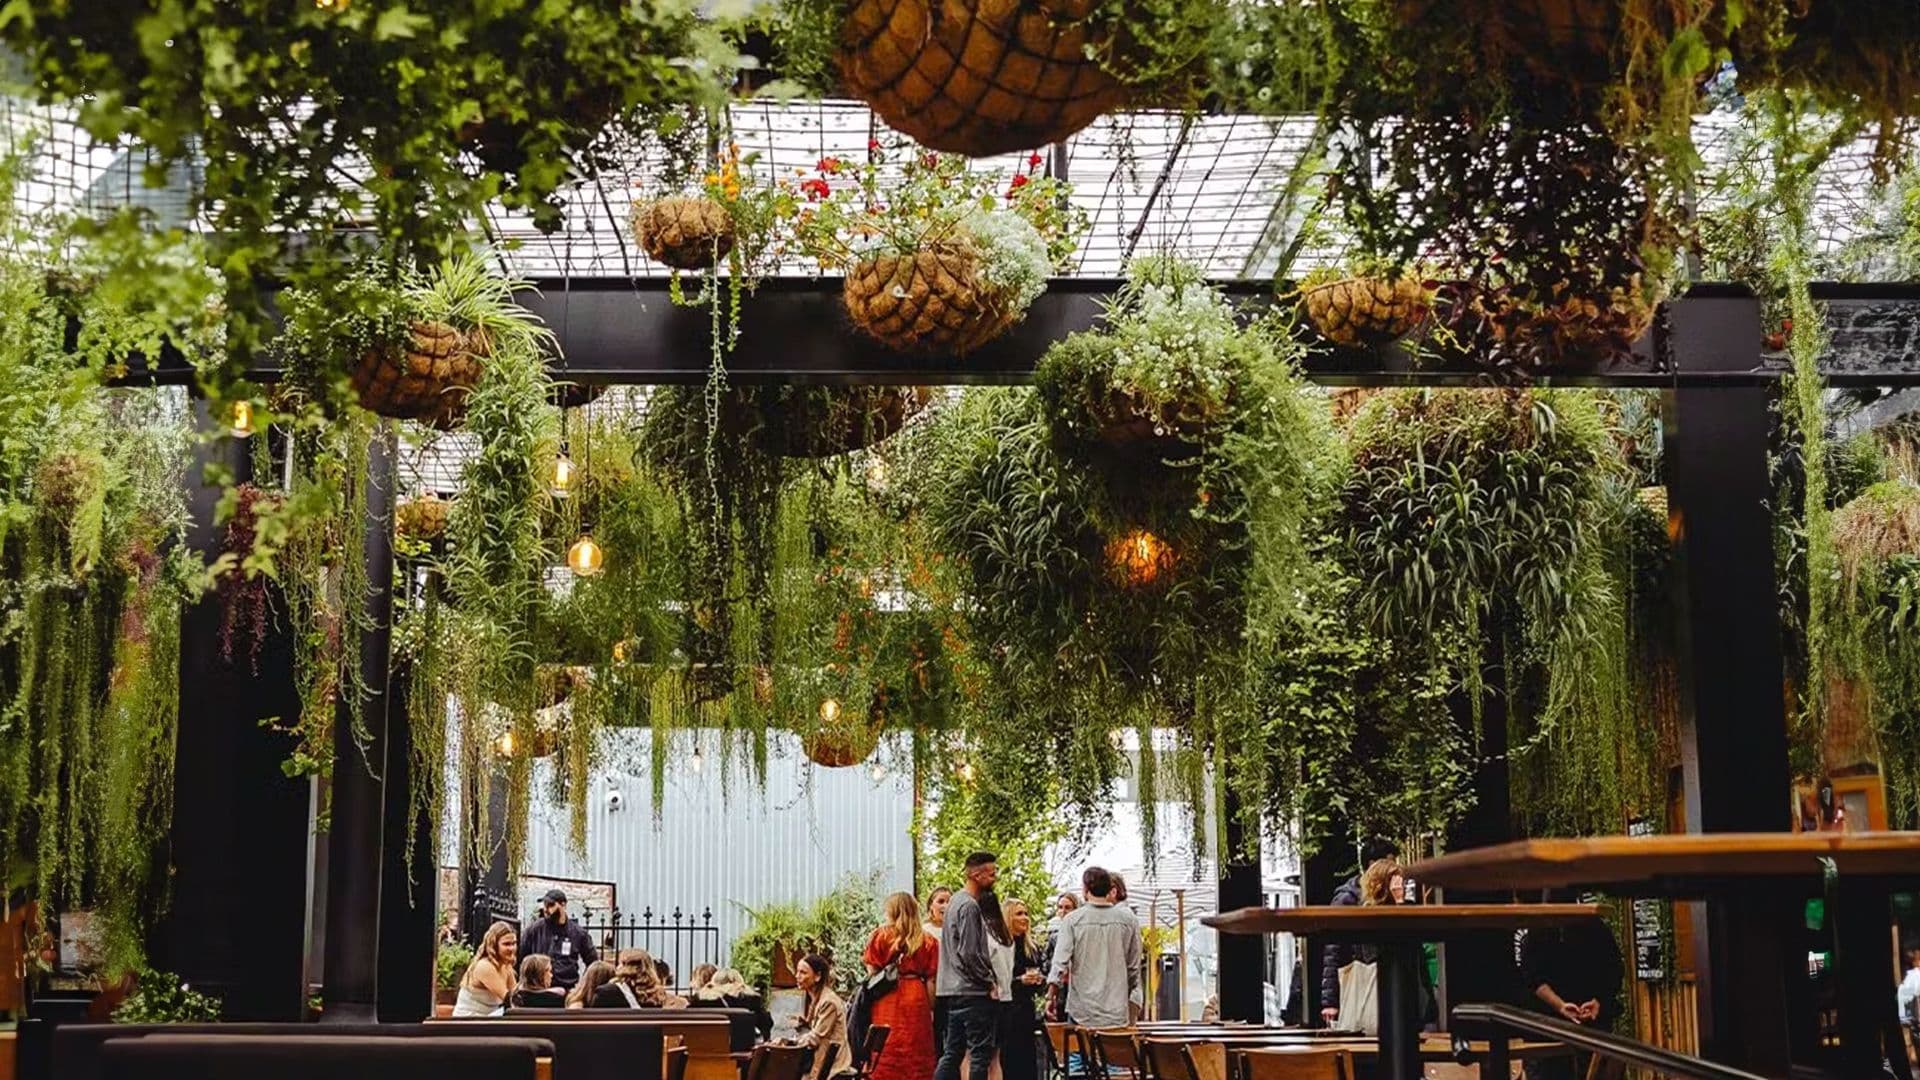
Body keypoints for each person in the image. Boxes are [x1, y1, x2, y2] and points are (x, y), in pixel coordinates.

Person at [1517, 891, 1625, 1080]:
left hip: (1582, 1027)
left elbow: (1613, 972)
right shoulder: (1540, 931)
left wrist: (1598, 1002)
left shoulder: (1593, 928)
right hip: (1549, 1030)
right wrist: (1561, 1005)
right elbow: (1533, 978)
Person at [1045, 866, 1141, 1030]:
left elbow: (1059, 963)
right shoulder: (1128, 920)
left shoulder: (1072, 920)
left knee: (1079, 1046)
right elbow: (1133, 966)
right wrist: (1127, 992)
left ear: (1085, 889)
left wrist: (1050, 996)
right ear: (1109, 889)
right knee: (1114, 1047)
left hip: (1082, 1011)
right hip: (1116, 1011)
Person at [935, 853, 1002, 1080]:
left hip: (951, 991)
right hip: (972, 991)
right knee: (980, 1054)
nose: (994, 878)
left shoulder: (954, 902)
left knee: (952, 1052)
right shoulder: (969, 906)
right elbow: (970, 952)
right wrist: (988, 981)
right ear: (976, 874)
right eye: (991, 874)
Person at [863, 891, 940, 1080]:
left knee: (886, 1046)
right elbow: (931, 980)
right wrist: (930, 1009)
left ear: (892, 911)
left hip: (887, 997)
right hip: (917, 998)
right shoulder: (928, 940)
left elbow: (872, 971)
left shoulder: (880, 936)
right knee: (917, 1050)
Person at [999, 900, 1046, 1080]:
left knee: (1027, 1061)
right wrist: (1019, 981)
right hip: (1006, 1012)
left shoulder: (1031, 948)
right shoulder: (1001, 948)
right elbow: (996, 981)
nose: (1025, 918)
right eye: (1019, 914)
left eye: (1026, 913)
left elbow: (1040, 983)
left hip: (1026, 1012)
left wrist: (1039, 981)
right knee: (1009, 1060)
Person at [519, 888, 597, 992]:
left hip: (567, 989)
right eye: (545, 905)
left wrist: (582, 987)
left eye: (551, 905)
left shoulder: (578, 933)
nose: (546, 909)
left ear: (563, 905)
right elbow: (521, 958)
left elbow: (593, 963)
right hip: (539, 990)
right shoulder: (534, 929)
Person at [795, 953, 854, 1080]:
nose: (797, 976)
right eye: (797, 971)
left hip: (831, 1066)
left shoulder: (829, 1002)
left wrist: (790, 1042)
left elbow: (815, 1038)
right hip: (823, 1060)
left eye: (803, 972)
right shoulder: (817, 998)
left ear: (817, 976)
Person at [453, 921, 517, 1017]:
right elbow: (509, 999)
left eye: (514, 943)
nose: (511, 948)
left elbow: (515, 995)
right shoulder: (485, 966)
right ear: (494, 945)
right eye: (506, 944)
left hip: (487, 1019)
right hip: (468, 1020)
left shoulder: (506, 966)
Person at [694, 966, 776, 1041]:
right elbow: (767, 1024)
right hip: (742, 1048)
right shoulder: (750, 1000)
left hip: (701, 1047)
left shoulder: (701, 1000)